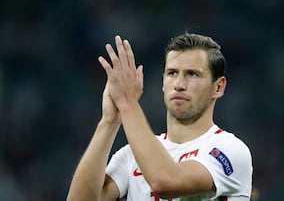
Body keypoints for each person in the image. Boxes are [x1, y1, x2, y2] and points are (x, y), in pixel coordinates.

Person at [67, 33, 253, 201]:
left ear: (218, 87)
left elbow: (165, 182)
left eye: (192, 74)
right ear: (163, 82)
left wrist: (127, 103)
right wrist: (109, 122)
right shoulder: (132, 154)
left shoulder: (230, 150)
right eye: (172, 73)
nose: (179, 84)